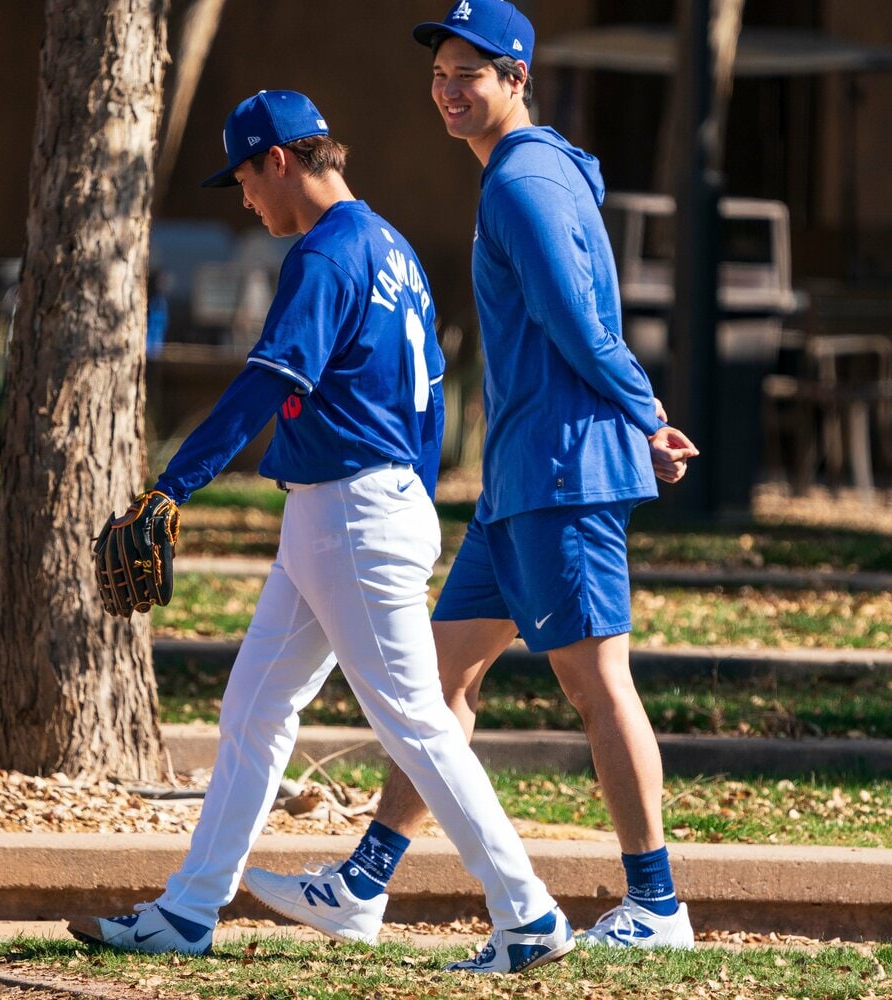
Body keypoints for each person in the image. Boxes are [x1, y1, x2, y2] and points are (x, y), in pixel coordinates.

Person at [66, 89, 574, 976]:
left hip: (352, 511)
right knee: (256, 710)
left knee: (416, 723)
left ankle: (527, 912)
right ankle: (190, 909)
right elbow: (426, 398)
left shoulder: (326, 255)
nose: (245, 198)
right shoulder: (390, 246)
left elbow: (266, 383)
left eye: (245, 179)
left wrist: (171, 486)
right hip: (350, 506)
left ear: (280, 160)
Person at [244, 0, 702, 952]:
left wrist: (645, 411)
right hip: (519, 482)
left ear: (516, 79)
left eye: (471, 73)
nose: (450, 90)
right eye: (441, 74)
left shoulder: (522, 185)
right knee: (438, 682)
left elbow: (579, 324)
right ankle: (365, 882)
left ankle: (657, 905)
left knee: (596, 683)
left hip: (562, 474)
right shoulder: (547, 172)